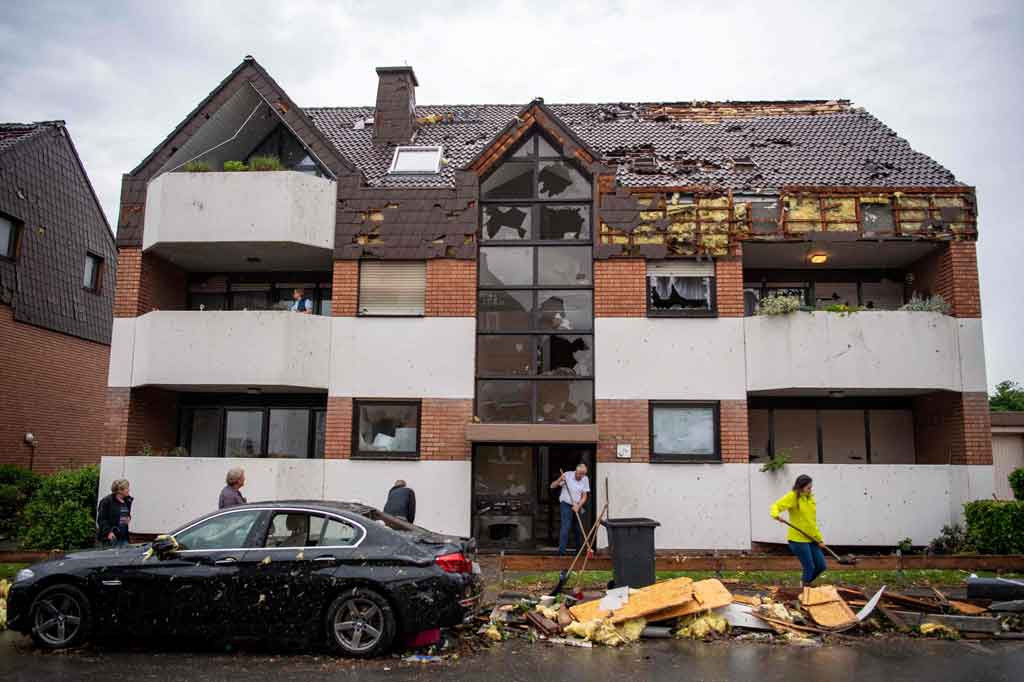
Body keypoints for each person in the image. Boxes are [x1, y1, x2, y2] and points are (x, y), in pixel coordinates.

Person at [770, 474, 827, 586]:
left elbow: (811, 522)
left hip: (811, 538)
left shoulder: (809, 498)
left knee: (821, 566)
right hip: (798, 539)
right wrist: (776, 515)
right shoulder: (793, 497)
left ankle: (805, 584)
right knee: (809, 566)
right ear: (800, 487)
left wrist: (819, 540)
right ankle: (805, 589)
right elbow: (775, 506)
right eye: (808, 488)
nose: (810, 490)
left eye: (811, 487)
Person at [550, 464, 589, 556]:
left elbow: (584, 496)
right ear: (576, 471)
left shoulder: (585, 479)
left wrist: (578, 506)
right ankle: (561, 552)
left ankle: (579, 552)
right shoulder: (567, 475)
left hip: (577, 505)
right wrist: (560, 479)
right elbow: (552, 486)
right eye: (579, 474)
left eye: (583, 474)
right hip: (566, 504)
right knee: (566, 527)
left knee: (578, 528)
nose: (580, 476)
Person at [96, 479, 133, 546]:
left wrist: (129, 518)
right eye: (126, 488)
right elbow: (101, 519)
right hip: (111, 538)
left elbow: (126, 514)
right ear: (119, 491)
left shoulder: (127, 500)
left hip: (124, 537)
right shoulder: (106, 501)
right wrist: (108, 532)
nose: (128, 490)